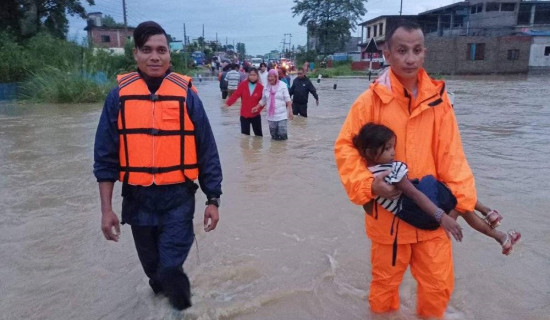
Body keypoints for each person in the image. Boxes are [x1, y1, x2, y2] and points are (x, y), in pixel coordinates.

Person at [334, 20, 476, 318]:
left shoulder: (439, 102)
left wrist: (459, 204)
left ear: (424, 53)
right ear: (387, 53)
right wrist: (369, 185)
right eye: (402, 50)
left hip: (433, 215)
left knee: (438, 290)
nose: (409, 58)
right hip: (389, 221)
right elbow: (346, 148)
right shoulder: (369, 102)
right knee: (384, 294)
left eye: (416, 50)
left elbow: (452, 156)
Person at [93, 21, 223, 311]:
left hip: (178, 199)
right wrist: (106, 209)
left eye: (161, 50)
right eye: (147, 50)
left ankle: (184, 312)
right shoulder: (117, 98)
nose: (155, 56)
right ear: (136, 54)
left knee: (169, 267)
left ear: (169, 56)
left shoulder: (188, 96)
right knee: (154, 272)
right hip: (137, 202)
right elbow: (105, 159)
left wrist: (213, 198)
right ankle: (165, 304)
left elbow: (207, 151)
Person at [353, 122, 522, 255]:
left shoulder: (368, 174)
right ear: (370, 152)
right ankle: (492, 219)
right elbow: (415, 194)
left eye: (393, 147)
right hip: (419, 213)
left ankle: (499, 232)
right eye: (388, 148)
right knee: (454, 195)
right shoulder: (390, 172)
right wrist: (442, 217)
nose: (393, 153)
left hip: (413, 213)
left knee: (454, 195)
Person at [252, 69, 293, 140]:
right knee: (274, 136)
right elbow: (263, 100)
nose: (270, 78)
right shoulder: (266, 87)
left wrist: (290, 111)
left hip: (281, 115)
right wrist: (256, 107)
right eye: (268, 77)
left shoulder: (283, 86)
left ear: (276, 77)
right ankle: (274, 150)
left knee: (282, 135)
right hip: (271, 116)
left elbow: (288, 99)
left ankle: (283, 150)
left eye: (272, 77)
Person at [224, 67, 264, 136]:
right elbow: (235, 95)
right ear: (248, 75)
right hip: (244, 115)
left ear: (257, 76)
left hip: (256, 115)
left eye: (254, 75)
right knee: (245, 137)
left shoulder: (261, 87)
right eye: (251, 75)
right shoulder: (243, 84)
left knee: (258, 137)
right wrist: (227, 103)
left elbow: (263, 101)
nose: (252, 77)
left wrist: (258, 109)